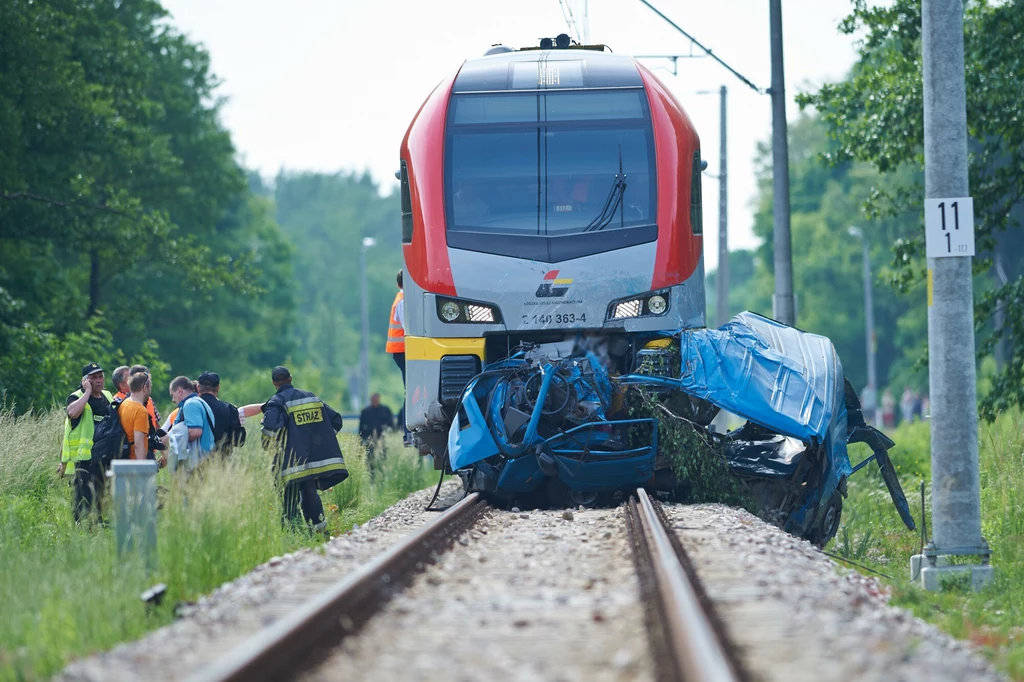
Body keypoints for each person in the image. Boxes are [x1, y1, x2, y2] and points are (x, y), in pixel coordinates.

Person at [261, 366, 348, 533]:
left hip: (291, 463)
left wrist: (269, 447)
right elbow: (336, 420)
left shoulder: (277, 402)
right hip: (313, 461)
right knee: (310, 494)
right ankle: (320, 534)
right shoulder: (310, 397)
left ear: (274, 383)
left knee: (289, 501)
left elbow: (269, 431)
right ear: (290, 378)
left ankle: (294, 535)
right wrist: (321, 443)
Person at [60, 363, 113, 523]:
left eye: (101, 376)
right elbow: (72, 412)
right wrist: (88, 392)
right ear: (85, 381)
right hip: (84, 460)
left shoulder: (108, 396)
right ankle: (81, 529)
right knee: (82, 499)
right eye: (93, 378)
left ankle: (98, 527)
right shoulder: (77, 396)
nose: (99, 381)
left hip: (104, 458)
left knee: (102, 497)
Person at [119, 372, 167, 467]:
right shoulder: (141, 411)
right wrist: (142, 470)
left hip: (123, 460)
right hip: (135, 462)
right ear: (145, 388)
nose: (150, 390)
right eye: (150, 387)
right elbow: (139, 445)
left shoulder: (124, 403)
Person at [169, 376, 216, 469]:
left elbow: (195, 432)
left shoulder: (190, 404)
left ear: (179, 391)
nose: (173, 400)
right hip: (206, 457)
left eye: (172, 395)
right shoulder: (198, 401)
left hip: (199, 461)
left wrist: (175, 438)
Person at [386, 269, 410, 444]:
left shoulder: (400, 299)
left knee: (410, 391)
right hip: (404, 351)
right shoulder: (403, 302)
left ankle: (407, 431)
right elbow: (407, 328)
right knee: (410, 391)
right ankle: (407, 431)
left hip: (401, 351)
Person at [197, 371, 245, 454]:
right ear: (218, 387)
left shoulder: (189, 407)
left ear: (198, 387)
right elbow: (239, 440)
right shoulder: (229, 409)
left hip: (195, 460)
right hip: (222, 460)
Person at [359, 393, 395, 477]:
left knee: (383, 458)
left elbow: (391, 424)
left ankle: (382, 475)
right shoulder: (365, 412)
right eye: (373, 400)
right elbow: (361, 428)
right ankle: (372, 476)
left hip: (382, 438)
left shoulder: (385, 410)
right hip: (370, 439)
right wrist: (361, 440)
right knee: (370, 459)